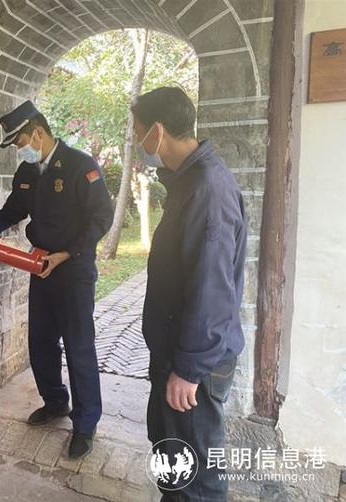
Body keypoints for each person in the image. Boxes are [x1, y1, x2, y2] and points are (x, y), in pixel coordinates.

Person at [0, 100, 114, 458]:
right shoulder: (28, 172)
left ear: (37, 133)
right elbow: (13, 210)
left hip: (74, 268)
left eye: (20, 142)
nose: (19, 150)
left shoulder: (81, 166)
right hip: (40, 267)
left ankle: (85, 423)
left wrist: (67, 254)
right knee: (40, 341)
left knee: (79, 345)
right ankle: (55, 402)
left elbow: (102, 217)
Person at [134, 87, 247, 501]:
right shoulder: (189, 182)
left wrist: (188, 369)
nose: (138, 142)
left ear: (157, 131)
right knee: (174, 457)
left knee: (197, 474)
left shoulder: (207, 190)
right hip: (177, 349)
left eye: (138, 132)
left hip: (193, 360)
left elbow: (211, 289)